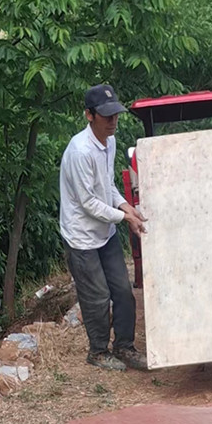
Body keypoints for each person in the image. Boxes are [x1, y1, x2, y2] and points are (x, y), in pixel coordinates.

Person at [60, 83, 148, 371]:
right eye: (106, 116)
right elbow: (88, 203)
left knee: (123, 290)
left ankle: (124, 346)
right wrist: (124, 218)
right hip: (81, 236)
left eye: (116, 115)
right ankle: (98, 351)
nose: (113, 121)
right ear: (90, 115)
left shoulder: (110, 142)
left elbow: (106, 185)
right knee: (97, 297)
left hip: (105, 231)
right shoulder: (80, 151)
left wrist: (125, 206)